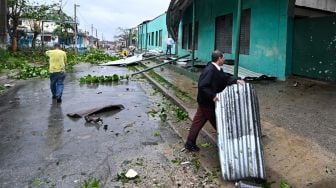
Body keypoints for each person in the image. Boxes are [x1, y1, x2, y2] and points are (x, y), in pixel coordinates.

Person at [185, 50, 245, 152]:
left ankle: (190, 143)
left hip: (205, 102)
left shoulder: (216, 69)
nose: (224, 59)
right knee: (218, 123)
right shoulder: (210, 70)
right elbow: (202, 86)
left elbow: (224, 78)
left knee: (198, 122)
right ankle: (228, 142)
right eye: (223, 58)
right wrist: (212, 96)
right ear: (219, 58)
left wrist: (236, 80)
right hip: (207, 103)